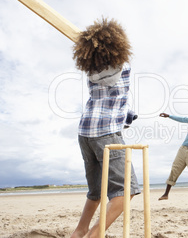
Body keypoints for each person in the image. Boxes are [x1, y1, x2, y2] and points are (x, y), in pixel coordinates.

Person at [71, 18, 141, 238]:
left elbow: (115, 100)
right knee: (125, 190)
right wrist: (127, 117)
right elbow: (123, 98)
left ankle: (79, 231)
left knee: (96, 191)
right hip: (106, 133)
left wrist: (126, 117)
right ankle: (93, 235)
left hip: (85, 132)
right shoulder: (124, 68)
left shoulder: (90, 72)